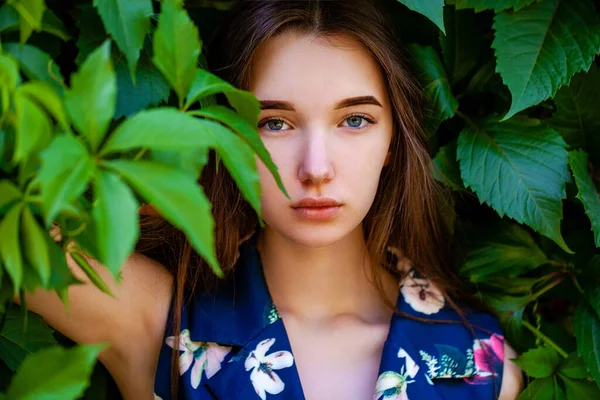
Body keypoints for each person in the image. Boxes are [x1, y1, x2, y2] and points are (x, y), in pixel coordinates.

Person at [19, 0, 524, 399]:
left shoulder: (478, 368)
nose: (317, 168)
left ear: (393, 140)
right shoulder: (160, 323)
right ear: (228, 135)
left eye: (355, 120)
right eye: (274, 123)